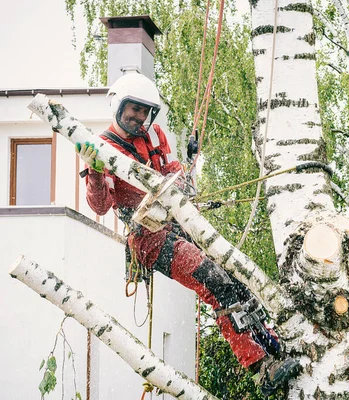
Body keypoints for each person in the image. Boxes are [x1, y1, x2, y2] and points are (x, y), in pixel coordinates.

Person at [76, 72, 300, 395]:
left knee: (236, 278)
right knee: (214, 281)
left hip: (179, 222)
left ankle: (273, 344)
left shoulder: (155, 137)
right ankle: (259, 368)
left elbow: (173, 174)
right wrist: (94, 171)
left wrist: (186, 171)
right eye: (133, 109)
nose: (139, 117)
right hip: (149, 238)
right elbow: (100, 205)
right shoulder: (102, 148)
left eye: (145, 111)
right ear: (118, 107)